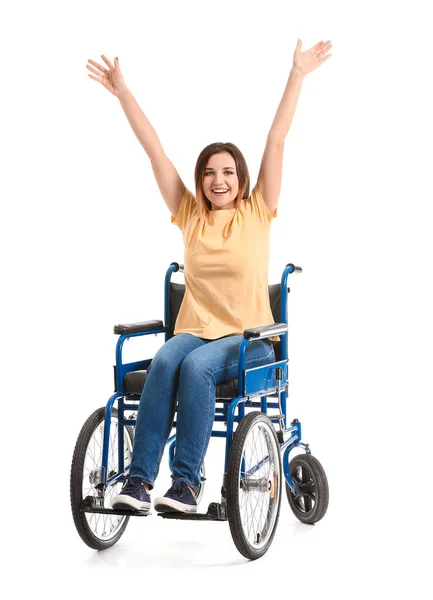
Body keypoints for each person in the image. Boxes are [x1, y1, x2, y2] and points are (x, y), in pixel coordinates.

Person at [85, 40, 332, 514]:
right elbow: (154, 150)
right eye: (209, 173)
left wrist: (297, 74)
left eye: (228, 172)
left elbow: (276, 140)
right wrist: (122, 93)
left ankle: (186, 485)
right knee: (164, 360)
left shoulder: (258, 211)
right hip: (195, 332)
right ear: (200, 181)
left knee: (196, 369)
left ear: (240, 178)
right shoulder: (190, 214)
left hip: (251, 340)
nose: (218, 180)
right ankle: (138, 484)